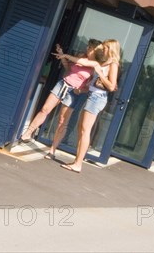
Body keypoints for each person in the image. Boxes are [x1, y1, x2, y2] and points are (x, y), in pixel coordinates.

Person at [19, 39, 105, 156]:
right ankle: (27, 133)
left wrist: (80, 90)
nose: (87, 49)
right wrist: (62, 56)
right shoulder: (81, 56)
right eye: (88, 47)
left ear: (96, 50)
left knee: (62, 121)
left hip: (74, 93)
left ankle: (52, 149)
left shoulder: (95, 65)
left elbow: (89, 87)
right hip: (63, 84)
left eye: (90, 48)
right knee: (45, 109)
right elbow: (69, 68)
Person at [57, 39, 121, 173]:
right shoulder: (106, 61)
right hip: (92, 96)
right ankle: (77, 161)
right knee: (81, 130)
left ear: (110, 49)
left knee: (85, 131)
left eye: (105, 48)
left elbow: (111, 86)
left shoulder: (113, 64)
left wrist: (101, 73)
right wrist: (65, 56)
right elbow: (83, 62)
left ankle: (78, 164)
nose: (102, 50)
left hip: (98, 98)